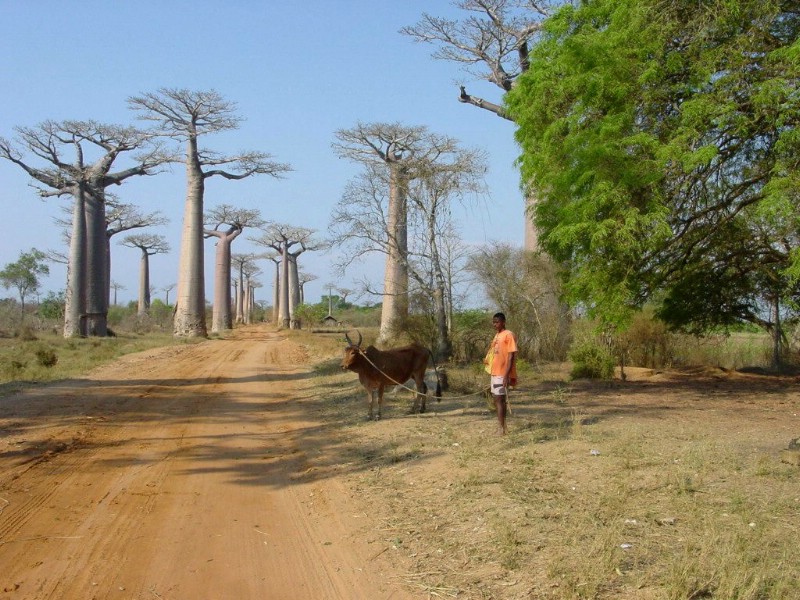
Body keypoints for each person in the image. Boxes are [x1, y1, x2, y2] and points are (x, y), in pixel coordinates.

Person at [486, 312, 517, 435]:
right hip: (495, 372)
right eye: (493, 322)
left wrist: (506, 375)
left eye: (497, 322)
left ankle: (501, 429)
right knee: (496, 399)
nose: (495, 324)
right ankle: (502, 427)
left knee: (500, 400)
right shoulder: (497, 336)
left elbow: (511, 357)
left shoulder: (508, 335)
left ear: (503, 322)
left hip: (502, 373)